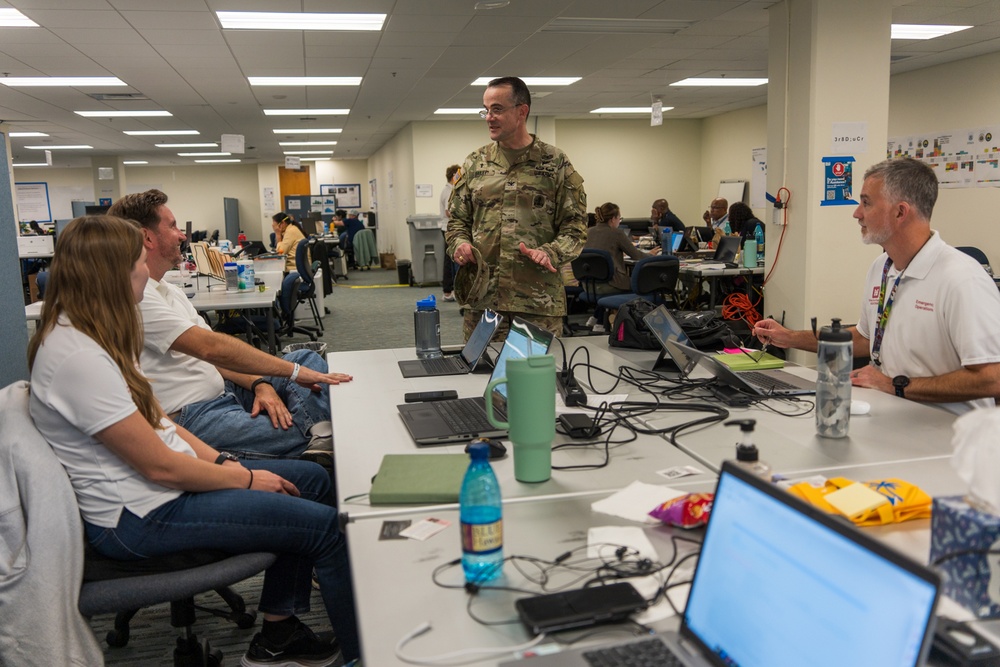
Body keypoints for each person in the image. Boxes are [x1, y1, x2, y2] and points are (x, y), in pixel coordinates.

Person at [27, 215, 360, 666]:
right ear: (113, 273)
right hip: (140, 516)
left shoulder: (97, 332)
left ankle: (280, 636)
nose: (145, 269)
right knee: (323, 529)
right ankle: (366, 654)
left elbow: (161, 422)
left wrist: (226, 463)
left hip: (159, 491)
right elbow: (158, 467)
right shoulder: (78, 357)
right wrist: (243, 480)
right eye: (136, 262)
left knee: (312, 482)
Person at [108, 189, 349, 460]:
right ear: (146, 237)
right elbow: (210, 349)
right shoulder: (137, 298)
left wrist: (260, 383)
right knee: (318, 421)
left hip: (226, 390)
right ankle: (320, 435)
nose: (182, 235)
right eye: (173, 225)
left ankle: (320, 436)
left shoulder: (167, 288)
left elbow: (216, 360)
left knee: (307, 358)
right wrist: (292, 373)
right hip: (195, 413)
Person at [753, 157, 1000, 414]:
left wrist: (895, 385)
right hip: (892, 413)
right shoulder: (882, 267)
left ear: (900, 212)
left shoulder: (961, 279)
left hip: (950, 434)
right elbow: (863, 339)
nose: (857, 213)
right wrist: (789, 338)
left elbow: (993, 378)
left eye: (866, 202)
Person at [446, 76, 588, 340]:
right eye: (486, 110)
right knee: (481, 377)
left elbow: (576, 227)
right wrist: (460, 244)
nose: (489, 117)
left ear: (522, 111)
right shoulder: (476, 163)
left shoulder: (555, 163)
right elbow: (457, 222)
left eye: (497, 109)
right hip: (483, 300)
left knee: (537, 378)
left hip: (537, 302)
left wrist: (551, 252)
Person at [586, 202, 661, 294]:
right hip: (610, 284)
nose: (619, 221)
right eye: (619, 218)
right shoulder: (617, 233)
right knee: (647, 283)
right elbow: (636, 255)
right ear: (613, 219)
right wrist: (650, 255)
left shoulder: (587, 232)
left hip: (588, 286)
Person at [440, 164, 461, 301]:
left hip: (447, 229)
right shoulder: (449, 191)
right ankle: (450, 290)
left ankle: (449, 290)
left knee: (449, 260)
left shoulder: (448, 190)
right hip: (451, 229)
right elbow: (449, 212)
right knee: (453, 261)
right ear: (454, 175)